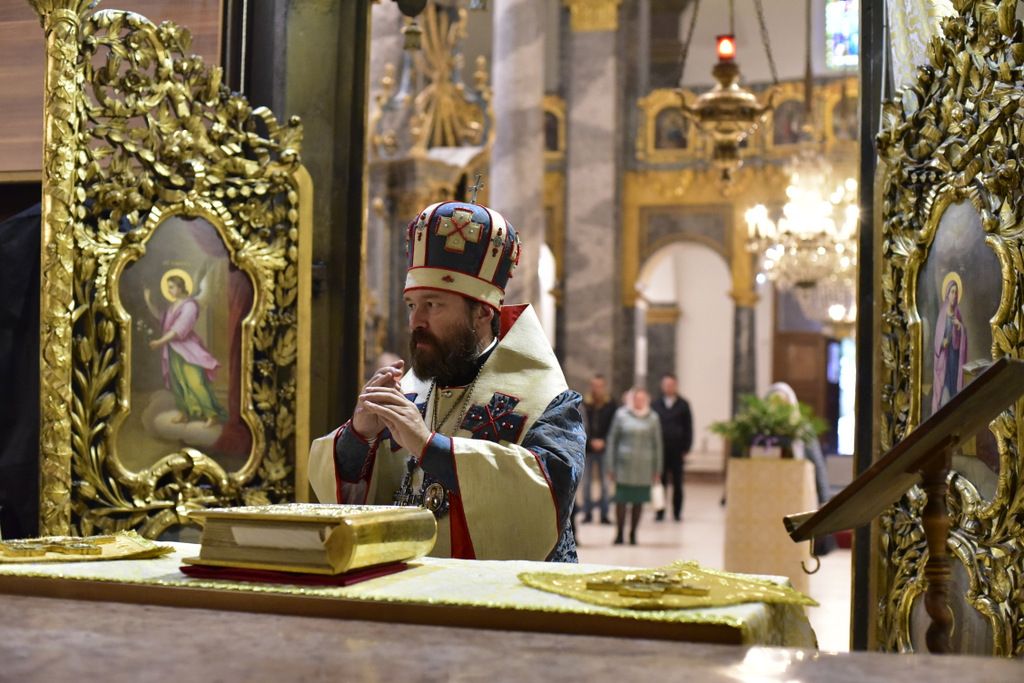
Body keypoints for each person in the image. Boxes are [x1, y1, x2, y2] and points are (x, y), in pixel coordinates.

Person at [308, 200, 585, 562]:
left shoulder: (549, 401)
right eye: (412, 305)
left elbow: (547, 494)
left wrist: (429, 447)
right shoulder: (410, 392)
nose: (415, 322)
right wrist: (359, 437)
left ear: (482, 312)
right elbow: (353, 496)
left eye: (433, 305)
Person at [145, 274, 227, 427]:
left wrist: (159, 342)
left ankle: (211, 415)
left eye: (171, 287)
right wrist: (148, 302)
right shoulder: (173, 306)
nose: (168, 290)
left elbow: (179, 328)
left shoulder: (190, 305)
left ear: (180, 287)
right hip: (172, 350)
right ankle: (184, 414)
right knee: (178, 383)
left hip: (188, 350)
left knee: (196, 382)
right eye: (168, 287)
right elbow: (163, 320)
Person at [605, 387, 662, 545]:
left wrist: (657, 469)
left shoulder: (653, 418)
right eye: (637, 399)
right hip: (624, 465)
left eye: (642, 399)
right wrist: (610, 465)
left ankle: (633, 533)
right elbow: (612, 440)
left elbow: (657, 445)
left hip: (644, 466)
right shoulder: (621, 415)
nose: (639, 402)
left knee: (638, 501)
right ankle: (619, 534)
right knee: (621, 500)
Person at [650, 373, 692, 521]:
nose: (668, 387)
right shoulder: (656, 404)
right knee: (660, 482)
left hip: (677, 450)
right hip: (661, 450)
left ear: (676, 386)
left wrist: (687, 447)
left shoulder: (683, 404)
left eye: (671, 384)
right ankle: (660, 511)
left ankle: (677, 512)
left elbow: (688, 427)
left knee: (677, 482)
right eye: (666, 384)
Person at [580, 374, 617, 525]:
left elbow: (613, 426)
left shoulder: (611, 404)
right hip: (588, 449)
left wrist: (604, 441)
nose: (597, 389)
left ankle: (604, 513)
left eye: (599, 386)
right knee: (586, 482)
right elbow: (581, 424)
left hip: (605, 448)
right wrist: (590, 441)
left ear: (604, 387)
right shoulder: (584, 403)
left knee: (605, 483)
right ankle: (587, 512)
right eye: (594, 386)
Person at [933, 274, 967, 414]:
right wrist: (943, 342)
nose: (954, 295)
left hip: (954, 360)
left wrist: (960, 327)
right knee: (944, 394)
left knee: (954, 392)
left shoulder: (957, 314)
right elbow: (936, 343)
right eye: (952, 292)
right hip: (944, 362)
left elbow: (962, 338)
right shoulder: (942, 315)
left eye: (956, 292)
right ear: (947, 294)